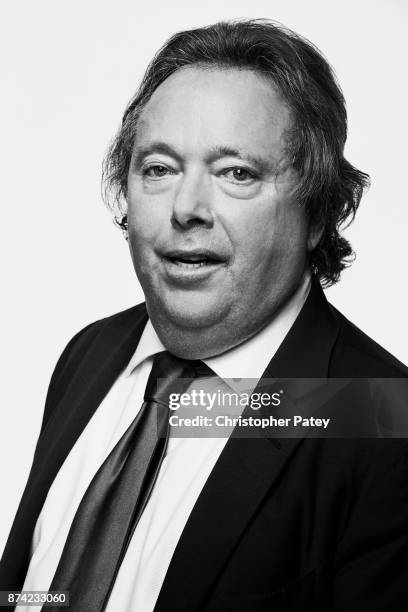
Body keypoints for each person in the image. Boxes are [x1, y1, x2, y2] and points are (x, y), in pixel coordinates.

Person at [1, 19, 407, 612]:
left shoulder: (382, 422)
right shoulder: (89, 355)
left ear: (317, 211)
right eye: (159, 168)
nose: (187, 208)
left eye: (236, 173)